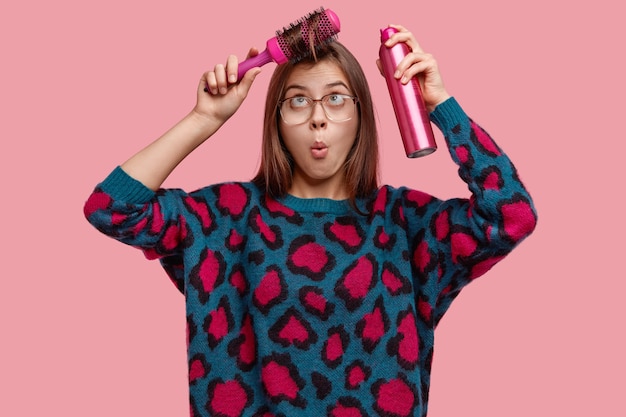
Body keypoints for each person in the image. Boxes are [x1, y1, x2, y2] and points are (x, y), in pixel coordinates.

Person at [84, 24, 537, 417]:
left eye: (337, 99)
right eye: (297, 101)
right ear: (276, 120)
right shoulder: (224, 218)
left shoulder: (404, 224)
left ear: (362, 115)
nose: (318, 117)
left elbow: (511, 214)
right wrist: (204, 118)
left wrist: (439, 103)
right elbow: (111, 208)